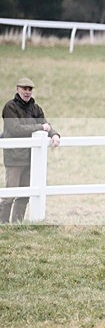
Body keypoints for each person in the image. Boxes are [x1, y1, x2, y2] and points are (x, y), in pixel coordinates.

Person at [1, 78, 60, 223]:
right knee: (10, 194)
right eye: (24, 88)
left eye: (30, 89)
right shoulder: (10, 107)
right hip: (14, 158)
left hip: (32, 158)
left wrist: (54, 134)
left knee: (25, 194)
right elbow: (15, 129)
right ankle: (2, 224)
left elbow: (46, 124)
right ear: (17, 89)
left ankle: (17, 224)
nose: (27, 92)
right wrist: (40, 128)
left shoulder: (35, 108)